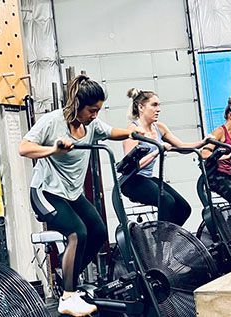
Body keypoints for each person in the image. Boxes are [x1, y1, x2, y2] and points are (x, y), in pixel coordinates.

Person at [19, 75, 143, 317]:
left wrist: (133, 134)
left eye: (98, 110)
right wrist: (53, 149)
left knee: (97, 233)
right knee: (77, 232)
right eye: (91, 110)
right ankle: (67, 296)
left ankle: (68, 279)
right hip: (46, 191)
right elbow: (23, 148)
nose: (95, 115)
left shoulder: (91, 126)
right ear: (77, 104)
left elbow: (111, 132)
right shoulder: (53, 121)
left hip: (72, 194)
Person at [121, 88, 211, 226]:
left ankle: (169, 240)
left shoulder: (159, 128)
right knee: (167, 201)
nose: (158, 109)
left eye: (159, 105)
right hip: (131, 181)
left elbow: (182, 147)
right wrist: (157, 151)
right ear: (141, 107)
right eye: (154, 105)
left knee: (184, 208)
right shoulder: (133, 130)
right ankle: (159, 242)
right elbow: (133, 165)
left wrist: (203, 142)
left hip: (147, 179)